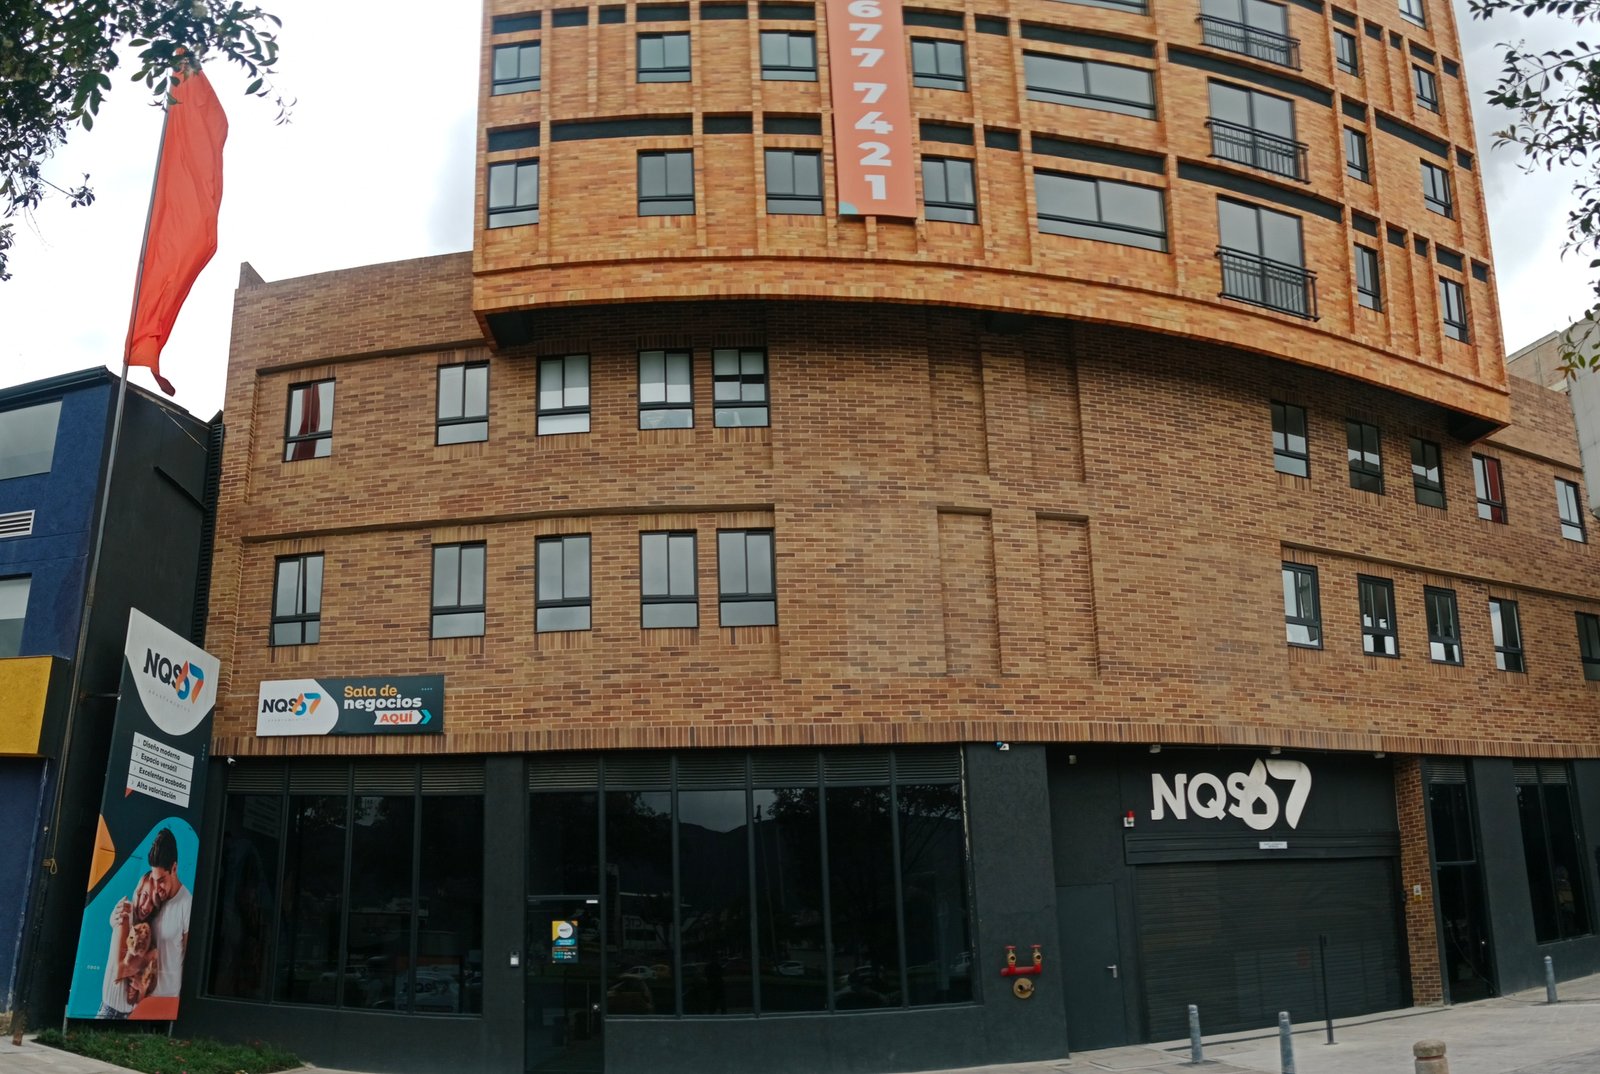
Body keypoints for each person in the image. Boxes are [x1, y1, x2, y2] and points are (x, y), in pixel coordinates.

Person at [145, 828, 191, 998]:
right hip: (143, 998)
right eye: (154, 880)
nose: (157, 887)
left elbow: (189, 963)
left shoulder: (187, 904)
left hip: (168, 1000)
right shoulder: (151, 899)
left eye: (162, 881)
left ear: (174, 868)